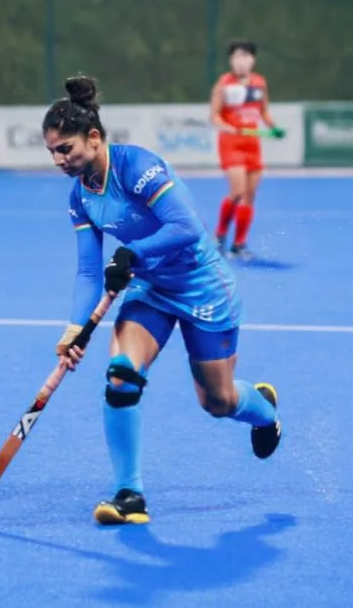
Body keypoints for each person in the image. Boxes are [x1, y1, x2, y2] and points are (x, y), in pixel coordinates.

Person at [47, 75, 282, 526]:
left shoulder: (137, 167)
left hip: (201, 286)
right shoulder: (80, 197)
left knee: (218, 402)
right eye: (52, 152)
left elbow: (185, 227)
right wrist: (76, 329)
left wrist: (133, 253)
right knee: (121, 376)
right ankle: (129, 494)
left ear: (93, 139)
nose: (59, 159)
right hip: (150, 290)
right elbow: (89, 270)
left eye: (65, 148)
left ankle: (264, 410)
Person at [209, 40, 284, 261]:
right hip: (232, 144)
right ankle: (220, 235)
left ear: (253, 59)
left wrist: (273, 127)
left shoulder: (260, 83)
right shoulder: (223, 84)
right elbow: (214, 116)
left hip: (253, 144)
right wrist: (228, 126)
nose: (242, 61)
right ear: (231, 60)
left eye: (246, 56)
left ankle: (239, 245)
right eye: (237, 57)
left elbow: (264, 113)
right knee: (237, 192)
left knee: (250, 196)